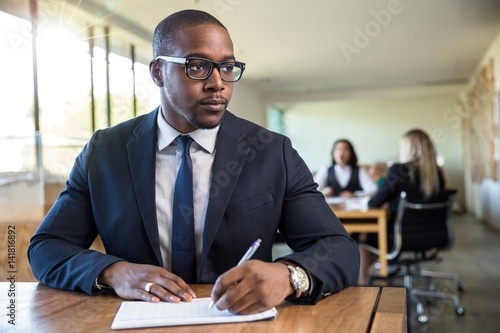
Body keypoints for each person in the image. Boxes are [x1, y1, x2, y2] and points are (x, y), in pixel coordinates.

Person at [28, 10, 359, 315]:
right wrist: (113, 272)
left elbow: (338, 248)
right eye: (197, 65)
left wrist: (290, 275)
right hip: (134, 321)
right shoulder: (105, 151)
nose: (218, 82)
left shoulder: (273, 152)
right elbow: (47, 247)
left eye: (227, 68)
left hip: (239, 321)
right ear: (158, 72)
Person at [356, 129, 445, 284]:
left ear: (408, 148)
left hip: (399, 236)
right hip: (433, 235)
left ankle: (362, 284)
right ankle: (383, 269)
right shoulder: (437, 175)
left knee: (362, 234)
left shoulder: (399, 170)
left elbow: (373, 203)